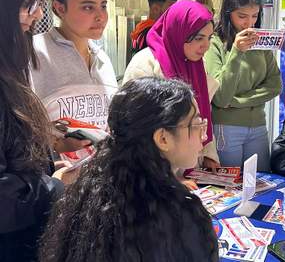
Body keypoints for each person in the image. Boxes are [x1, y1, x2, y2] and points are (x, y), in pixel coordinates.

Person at [39, 77, 219, 262]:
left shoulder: (86, 199)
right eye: (197, 125)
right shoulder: (179, 216)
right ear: (163, 138)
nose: (204, 136)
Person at [0, 0, 72, 261]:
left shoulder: (10, 69)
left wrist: (49, 169)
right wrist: (51, 187)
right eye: (25, 4)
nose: (37, 14)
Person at [123, 0, 220, 178]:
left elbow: (202, 113)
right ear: (179, 32)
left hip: (191, 167)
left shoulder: (197, 64)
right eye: (199, 38)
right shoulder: (145, 63)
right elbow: (136, 130)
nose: (206, 46)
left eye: (209, 38)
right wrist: (171, 179)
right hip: (154, 174)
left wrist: (208, 153)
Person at [31, 0, 118, 164]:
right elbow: (18, 127)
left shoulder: (103, 59)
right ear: (60, 9)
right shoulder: (34, 53)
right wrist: (56, 144)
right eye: (88, 7)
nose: (101, 16)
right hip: (56, 179)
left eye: (103, 6)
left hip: (101, 176)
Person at [204, 0, 282, 171]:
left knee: (261, 182)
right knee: (230, 188)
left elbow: (275, 85)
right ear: (227, 13)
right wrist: (237, 52)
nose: (249, 23)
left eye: (254, 16)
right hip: (226, 127)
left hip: (258, 126)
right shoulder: (215, 42)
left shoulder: (260, 40)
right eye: (242, 16)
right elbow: (221, 97)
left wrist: (237, 101)